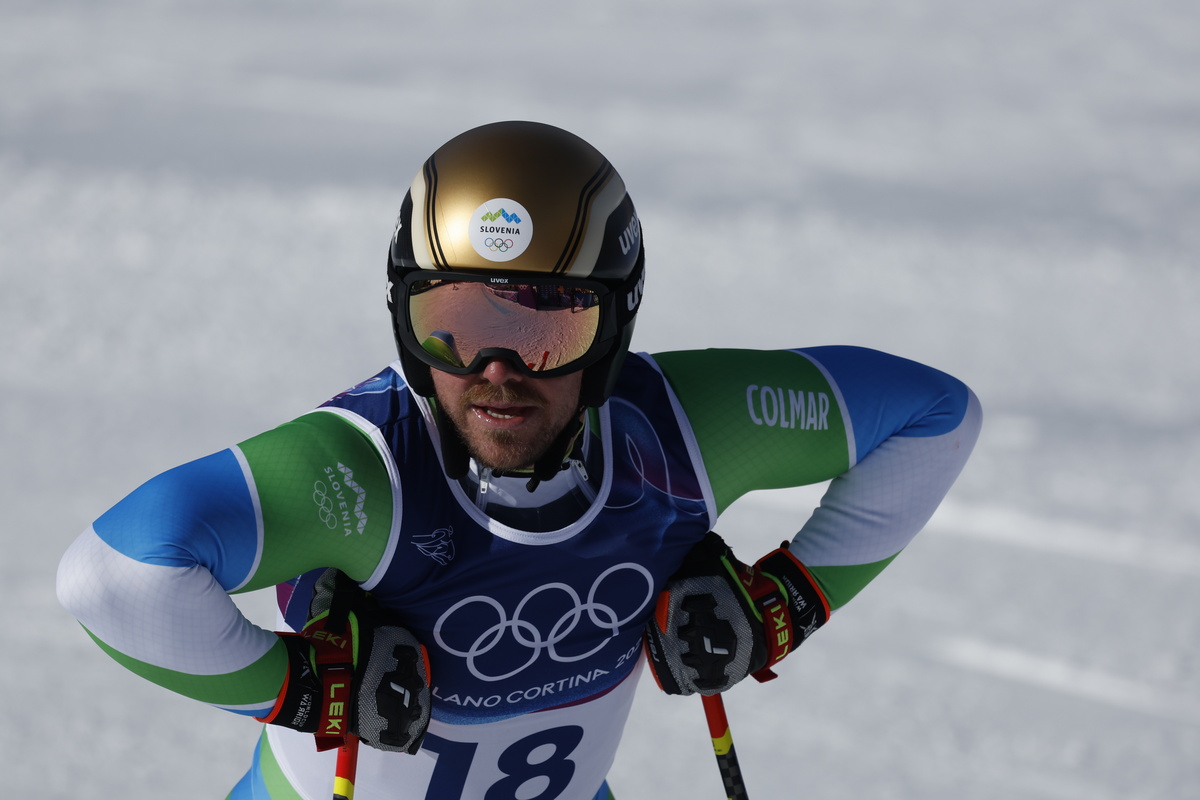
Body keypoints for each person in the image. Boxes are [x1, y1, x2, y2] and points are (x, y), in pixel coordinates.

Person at [57, 120, 982, 800]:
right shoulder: (369, 472)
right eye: (454, 325)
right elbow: (112, 578)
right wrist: (299, 690)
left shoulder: (678, 436)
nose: (497, 372)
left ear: (615, 326)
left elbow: (936, 416)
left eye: (548, 328)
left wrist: (786, 601)